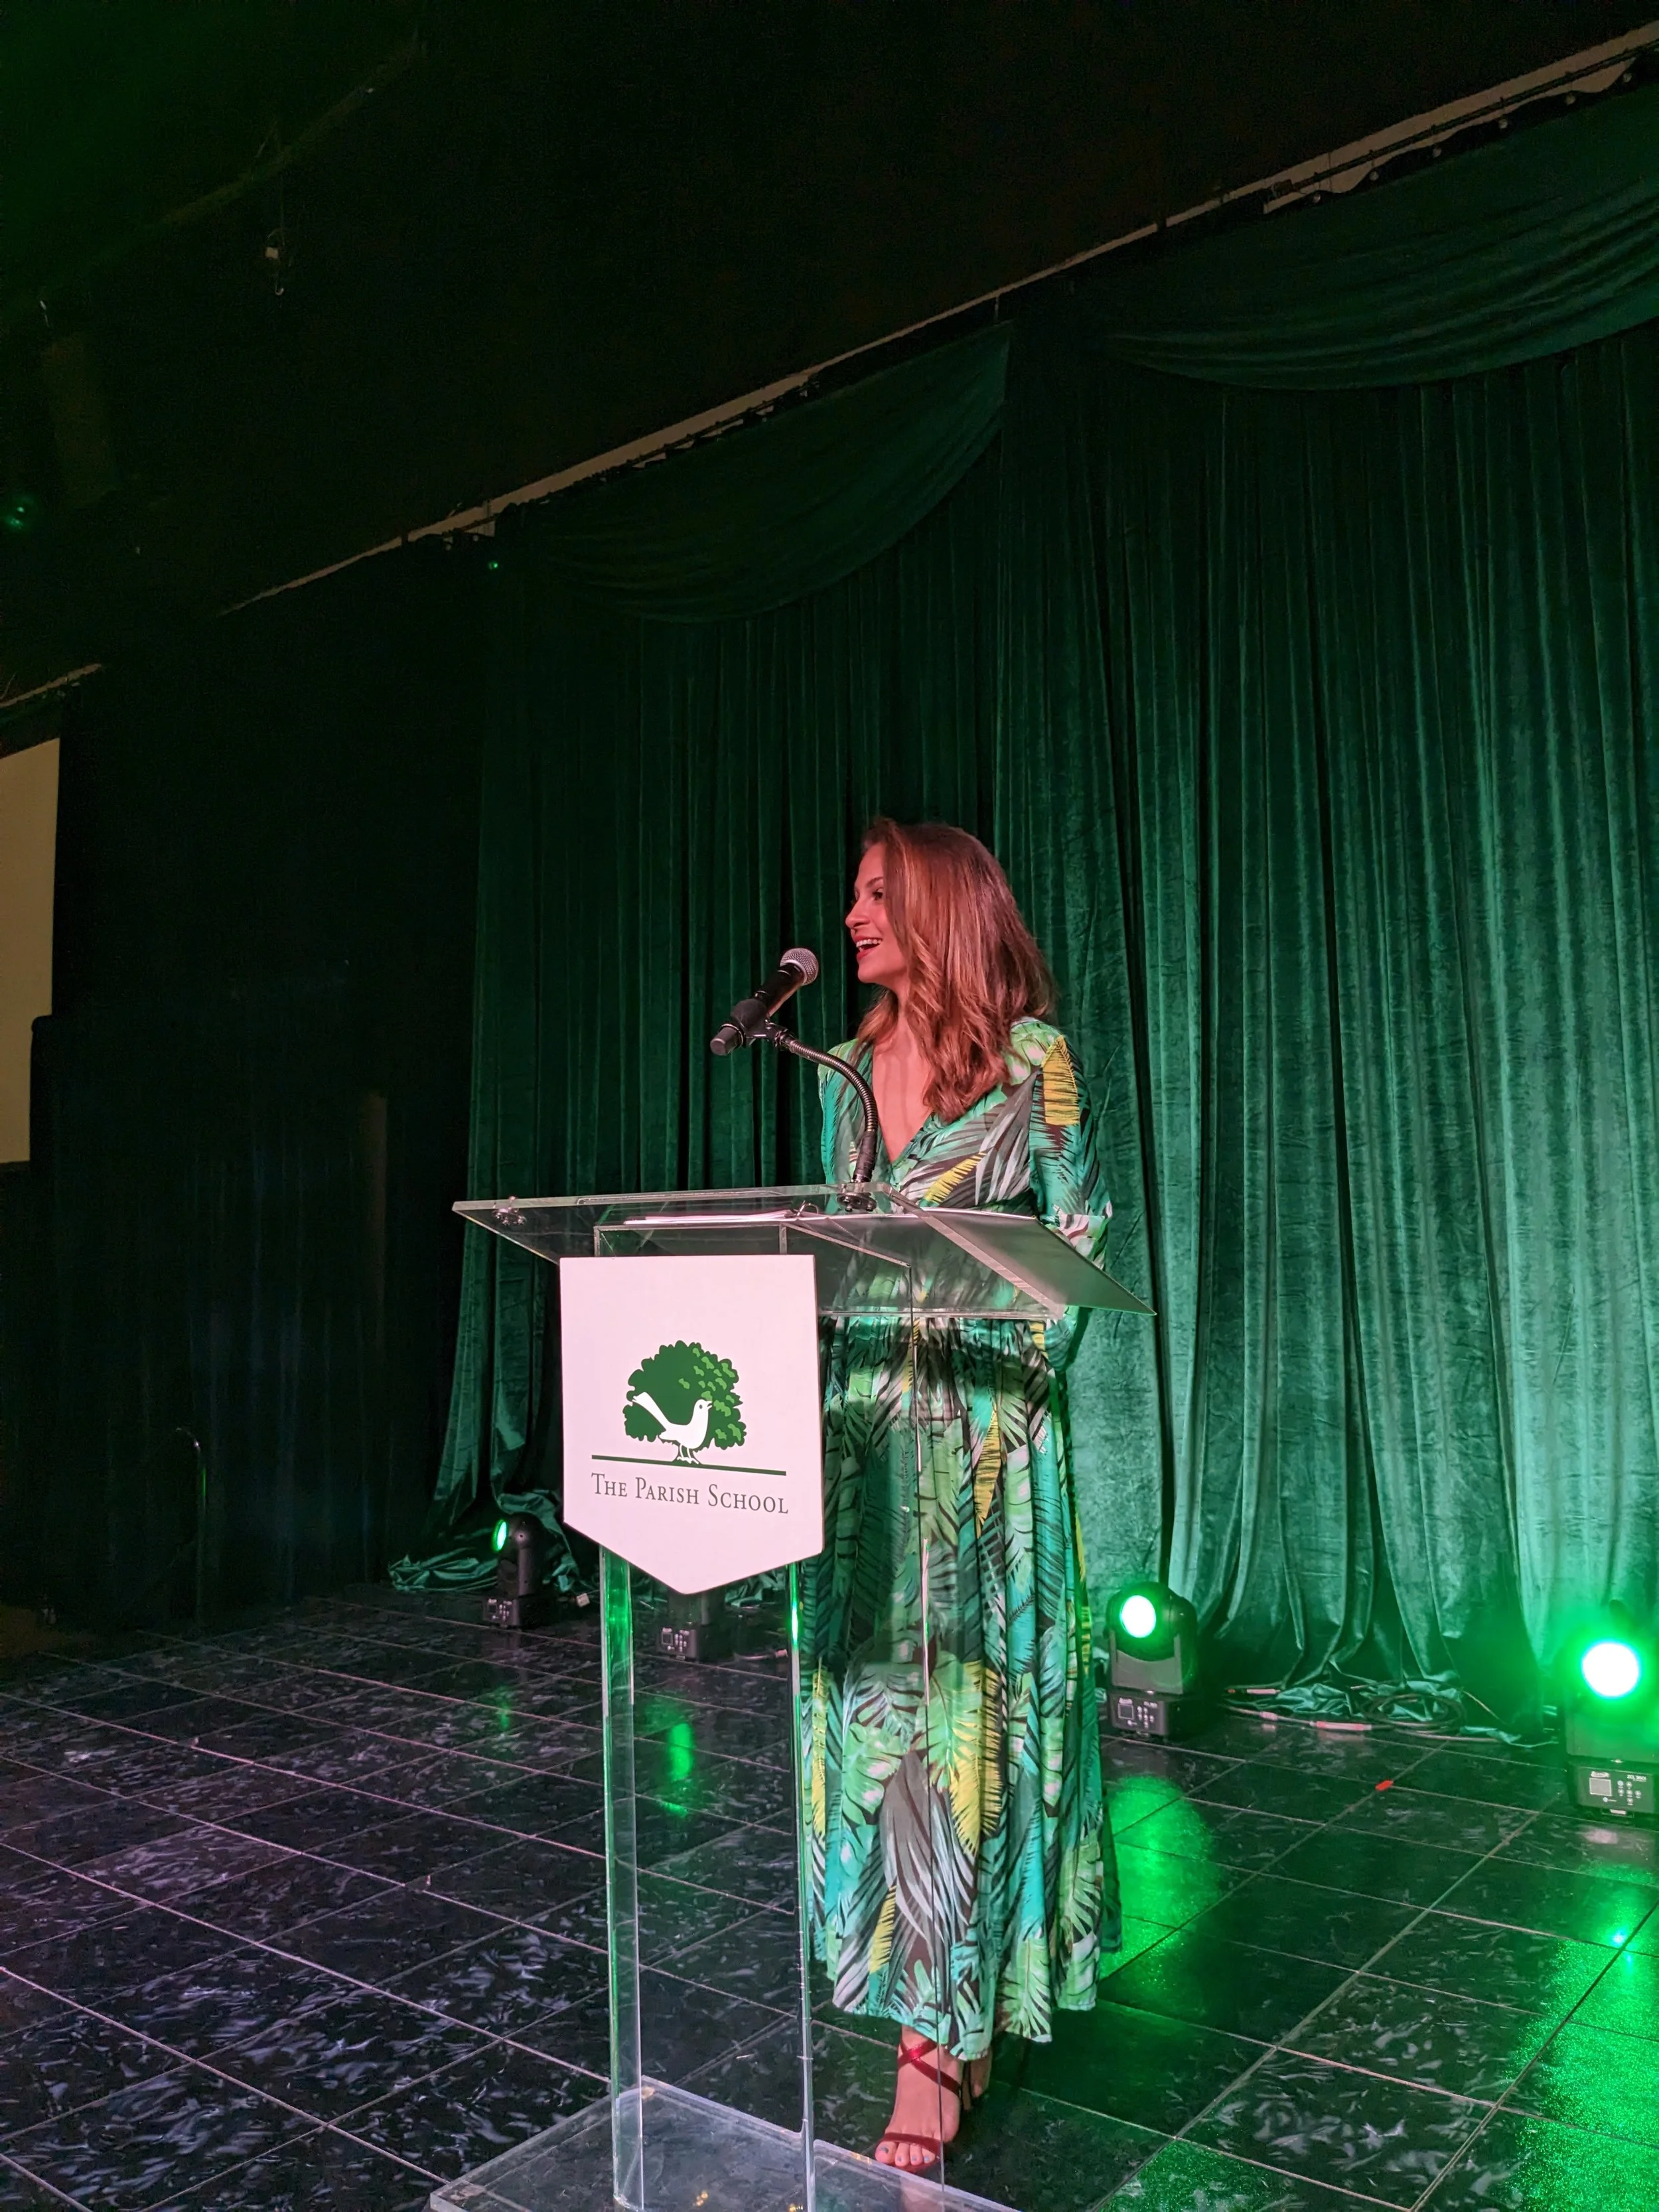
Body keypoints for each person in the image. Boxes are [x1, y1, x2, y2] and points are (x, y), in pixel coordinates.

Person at [802, 817, 1120, 2177]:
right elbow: (826, 1239)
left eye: (877, 894)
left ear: (938, 903)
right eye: (854, 895)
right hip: (868, 1445)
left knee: (959, 1746)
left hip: (983, 1452)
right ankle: (945, 2003)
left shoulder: (1033, 1064)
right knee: (876, 1743)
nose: (853, 914)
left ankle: (929, 2059)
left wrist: (998, 1369)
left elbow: (1080, 1235)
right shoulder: (839, 1066)